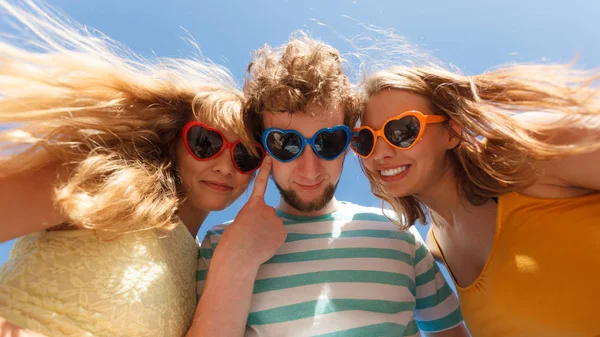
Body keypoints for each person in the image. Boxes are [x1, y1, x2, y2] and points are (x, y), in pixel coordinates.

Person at [0, 1, 263, 336]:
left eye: (245, 156)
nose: (226, 167)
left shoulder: (206, 267)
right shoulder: (104, 181)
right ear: (175, 143)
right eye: (206, 143)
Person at [189, 34, 469, 337]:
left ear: (349, 142)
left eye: (328, 142)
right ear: (262, 147)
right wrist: (238, 260)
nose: (310, 170)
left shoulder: (397, 233)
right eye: (285, 144)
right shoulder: (221, 244)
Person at [351, 63, 600, 337]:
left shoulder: (523, 155)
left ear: (452, 131)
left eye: (402, 131)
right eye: (365, 140)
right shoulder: (435, 249)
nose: (381, 153)